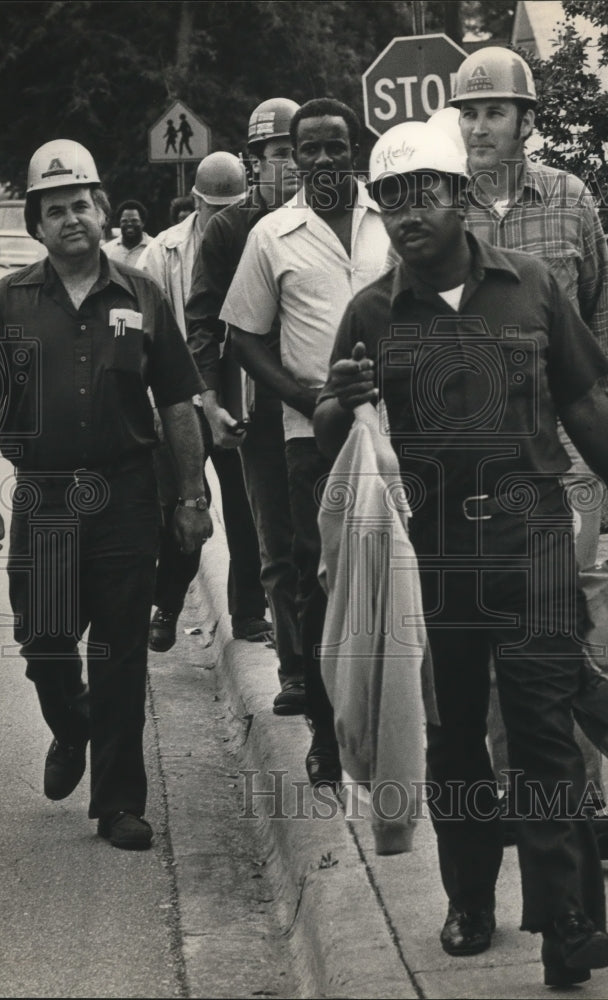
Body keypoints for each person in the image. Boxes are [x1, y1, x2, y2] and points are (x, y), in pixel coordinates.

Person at [313, 122, 608, 985]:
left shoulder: (534, 288)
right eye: (391, 197)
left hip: (533, 543)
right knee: (456, 741)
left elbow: (587, 405)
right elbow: (334, 434)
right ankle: (469, 899)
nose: (407, 212)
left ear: (462, 198)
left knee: (545, 731)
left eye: (425, 193)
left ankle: (569, 921)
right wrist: (338, 401)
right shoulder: (371, 312)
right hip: (431, 564)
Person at [0, 139, 211, 851]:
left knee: (121, 651)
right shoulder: (11, 300)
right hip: (43, 497)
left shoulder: (142, 295)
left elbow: (177, 404)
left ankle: (119, 803)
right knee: (42, 639)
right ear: (36, 225)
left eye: (81, 204)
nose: (71, 218)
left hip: (127, 494)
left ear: (102, 211)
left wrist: (190, 495)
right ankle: (73, 727)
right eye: (55, 209)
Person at [447, 46, 608, 858]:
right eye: (470, 111)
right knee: (496, 631)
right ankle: (519, 792)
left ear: (526, 120)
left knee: (567, 626)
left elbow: (606, 329)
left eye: (495, 110)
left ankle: (582, 795)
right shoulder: (440, 208)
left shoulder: (571, 201)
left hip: (568, 458)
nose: (481, 124)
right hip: (479, 465)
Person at [219, 98, 391, 783]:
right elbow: (242, 336)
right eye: (307, 149)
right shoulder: (272, 235)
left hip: (398, 431)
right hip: (310, 439)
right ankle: (326, 733)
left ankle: (399, 725)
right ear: (291, 156)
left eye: (334, 146)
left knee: (403, 578)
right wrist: (301, 394)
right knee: (319, 585)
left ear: (355, 149)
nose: (321, 159)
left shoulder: (390, 220)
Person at [186, 98, 308, 713]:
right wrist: (210, 401)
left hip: (327, 410)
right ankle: (295, 670)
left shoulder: (332, 220)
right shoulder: (230, 231)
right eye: (279, 153)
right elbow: (203, 324)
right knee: (275, 543)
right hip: (257, 413)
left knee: (338, 544)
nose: (292, 165)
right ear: (255, 160)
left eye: (299, 152)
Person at [139, 151, 270, 651]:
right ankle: (166, 608)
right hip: (177, 403)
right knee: (182, 507)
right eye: (213, 206)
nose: (222, 215)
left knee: (245, 509)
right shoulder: (164, 251)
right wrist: (152, 400)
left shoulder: (256, 236)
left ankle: (250, 613)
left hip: (235, 393)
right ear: (194, 200)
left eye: (231, 204)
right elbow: (144, 333)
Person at [104, 199, 152, 268]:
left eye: (134, 220)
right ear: (119, 223)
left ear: (142, 223)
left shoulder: (154, 248)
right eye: (124, 221)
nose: (129, 224)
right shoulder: (107, 250)